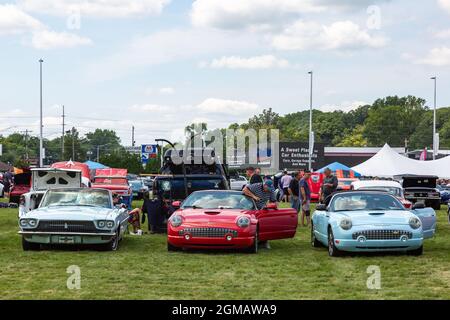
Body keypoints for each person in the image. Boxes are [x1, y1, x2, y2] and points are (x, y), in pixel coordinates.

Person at [243, 180, 277, 249]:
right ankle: (248, 239)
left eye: (270, 189)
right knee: (250, 225)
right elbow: (244, 190)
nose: (269, 191)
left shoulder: (271, 190)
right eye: (268, 189)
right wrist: (254, 196)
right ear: (264, 185)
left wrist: (273, 206)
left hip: (261, 208)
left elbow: (274, 201)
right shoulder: (256, 186)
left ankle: (264, 241)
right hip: (249, 206)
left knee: (264, 225)